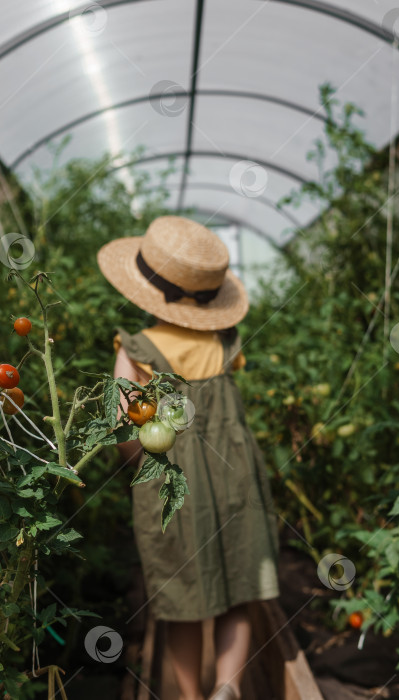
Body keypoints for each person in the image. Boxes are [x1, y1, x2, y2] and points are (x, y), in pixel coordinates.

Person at [97, 215, 280, 700]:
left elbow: (126, 434)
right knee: (239, 583)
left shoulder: (136, 349)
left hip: (171, 483)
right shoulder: (224, 345)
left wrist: (138, 460)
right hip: (236, 474)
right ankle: (228, 686)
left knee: (181, 597)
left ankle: (193, 696)